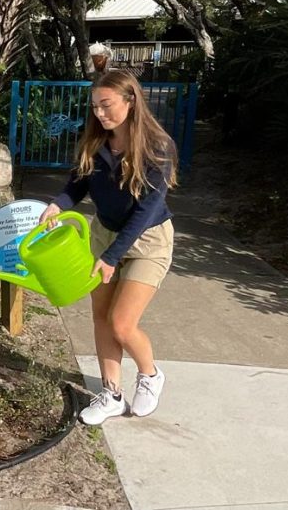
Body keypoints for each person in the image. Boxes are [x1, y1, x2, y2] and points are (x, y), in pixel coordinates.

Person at [40, 70, 177, 424]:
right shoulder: (95, 143)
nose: (100, 113)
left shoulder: (157, 148)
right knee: (101, 316)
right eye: (95, 106)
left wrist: (112, 257)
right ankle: (112, 394)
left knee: (121, 323)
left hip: (147, 241)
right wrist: (58, 205)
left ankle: (150, 374)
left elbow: (146, 212)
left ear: (130, 101)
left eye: (107, 105)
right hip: (103, 234)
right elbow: (77, 184)